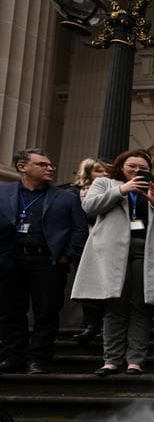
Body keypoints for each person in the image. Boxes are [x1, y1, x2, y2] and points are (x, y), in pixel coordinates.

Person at [72, 149, 154, 375]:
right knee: (115, 307)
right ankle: (111, 360)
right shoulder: (104, 184)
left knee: (141, 307)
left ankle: (135, 360)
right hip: (112, 253)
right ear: (121, 167)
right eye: (131, 166)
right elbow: (90, 208)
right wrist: (122, 190)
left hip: (148, 252)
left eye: (142, 168)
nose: (137, 171)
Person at [0, 149, 88, 374]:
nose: (50, 168)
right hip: (11, 260)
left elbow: (79, 230)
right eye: (42, 164)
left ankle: (38, 358)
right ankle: (13, 356)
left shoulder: (66, 197)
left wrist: (66, 256)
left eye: (50, 165)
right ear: (23, 167)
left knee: (46, 312)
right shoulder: (3, 192)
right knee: (10, 311)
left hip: (48, 262)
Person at [68, 158, 110, 344]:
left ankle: (103, 326)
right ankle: (90, 325)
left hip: (105, 244)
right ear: (88, 172)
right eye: (99, 171)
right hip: (83, 245)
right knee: (86, 288)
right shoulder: (72, 193)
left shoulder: (112, 191)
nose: (105, 174)